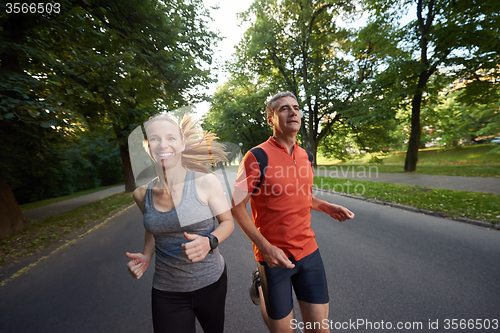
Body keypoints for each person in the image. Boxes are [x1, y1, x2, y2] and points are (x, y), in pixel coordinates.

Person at [231, 92, 355, 333]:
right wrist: (265, 248)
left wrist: (326, 206)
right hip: (273, 256)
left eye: (296, 108)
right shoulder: (256, 156)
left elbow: (299, 195)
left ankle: (263, 286)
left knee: (319, 329)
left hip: (309, 251)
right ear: (270, 119)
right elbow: (236, 207)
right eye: (284, 108)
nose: (293, 112)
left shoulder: (305, 156)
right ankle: (261, 286)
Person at [125, 114, 234, 333]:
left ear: (182, 144)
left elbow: (227, 222)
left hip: (210, 283)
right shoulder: (141, 194)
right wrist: (146, 255)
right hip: (167, 291)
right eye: (155, 139)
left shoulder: (205, 182)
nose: (163, 144)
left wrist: (209, 241)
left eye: (171, 138)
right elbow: (153, 228)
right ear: (148, 146)